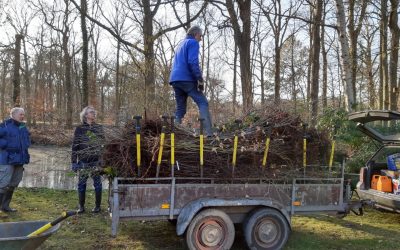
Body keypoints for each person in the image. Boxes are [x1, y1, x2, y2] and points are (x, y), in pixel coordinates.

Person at [169, 25, 213, 136]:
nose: (201, 39)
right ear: (195, 34)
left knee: (180, 109)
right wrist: (199, 79)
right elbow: (192, 62)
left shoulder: (180, 45)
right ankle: (209, 134)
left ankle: (175, 134)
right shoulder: (193, 43)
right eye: (200, 36)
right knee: (203, 102)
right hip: (186, 79)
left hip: (175, 80)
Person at [71, 106, 105, 213]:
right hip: (83, 162)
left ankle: (97, 206)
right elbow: (75, 146)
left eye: (94, 112)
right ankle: (81, 207)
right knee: (81, 184)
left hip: (95, 161)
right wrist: (74, 162)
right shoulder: (79, 129)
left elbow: (103, 145)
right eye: (91, 112)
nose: (94, 114)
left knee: (98, 184)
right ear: (86, 115)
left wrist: (102, 160)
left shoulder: (98, 128)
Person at [0, 107, 30, 212]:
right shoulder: (4, 126)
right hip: (7, 160)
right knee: (3, 185)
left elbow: (26, 141)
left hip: (20, 160)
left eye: (23, 114)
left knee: (13, 184)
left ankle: (5, 206)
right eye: (21, 114)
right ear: (13, 115)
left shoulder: (23, 127)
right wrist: (4, 144)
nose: (23, 116)